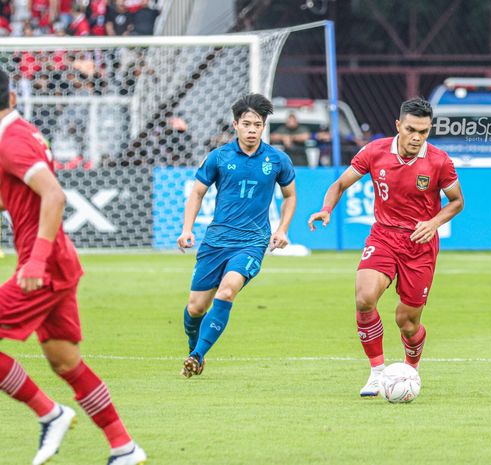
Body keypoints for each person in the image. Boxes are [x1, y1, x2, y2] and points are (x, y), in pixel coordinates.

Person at [0, 70, 146, 465]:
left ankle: (50, 413)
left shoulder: (12, 141)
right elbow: (15, 196)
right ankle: (124, 447)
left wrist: (36, 260)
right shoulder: (21, 133)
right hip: (58, 263)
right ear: (12, 97)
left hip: (43, 267)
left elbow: (54, 195)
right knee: (64, 360)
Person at [307, 98, 464, 396]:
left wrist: (433, 223)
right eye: (411, 130)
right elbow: (339, 184)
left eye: (424, 131)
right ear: (398, 126)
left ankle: (410, 370)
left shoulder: (439, 160)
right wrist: (326, 208)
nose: (417, 137)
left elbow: (457, 201)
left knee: (407, 322)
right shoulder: (375, 151)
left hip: (420, 245)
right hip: (383, 236)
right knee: (364, 298)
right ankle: (377, 373)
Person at [177, 93, 296, 378]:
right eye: (247, 124)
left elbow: (290, 195)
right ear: (235, 124)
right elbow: (197, 193)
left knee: (228, 289)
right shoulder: (218, 157)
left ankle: (197, 354)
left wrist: (282, 229)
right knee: (195, 309)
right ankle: (195, 350)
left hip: (252, 241)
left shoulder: (277, 160)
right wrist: (186, 229)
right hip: (216, 241)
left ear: (264, 126)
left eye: (258, 124)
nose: (252, 129)